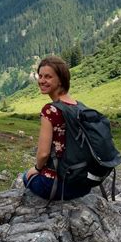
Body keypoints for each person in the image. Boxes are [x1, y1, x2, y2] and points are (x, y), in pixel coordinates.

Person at [23, 56, 91, 200]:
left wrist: (36, 169)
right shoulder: (79, 106)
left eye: (48, 77)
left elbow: (43, 154)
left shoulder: (50, 110)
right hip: (83, 184)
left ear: (60, 80)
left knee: (25, 177)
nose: (41, 80)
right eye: (40, 76)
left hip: (56, 185)